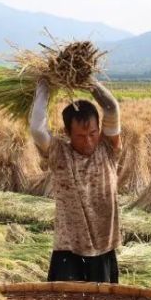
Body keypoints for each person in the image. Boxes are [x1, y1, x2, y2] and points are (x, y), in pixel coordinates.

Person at [29, 78, 122, 282]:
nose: (88, 141)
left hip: (103, 247)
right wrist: (44, 84)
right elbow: (37, 128)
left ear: (99, 129)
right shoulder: (59, 153)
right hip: (68, 248)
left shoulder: (108, 149)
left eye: (92, 133)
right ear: (67, 134)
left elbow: (112, 108)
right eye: (80, 136)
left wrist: (88, 80)